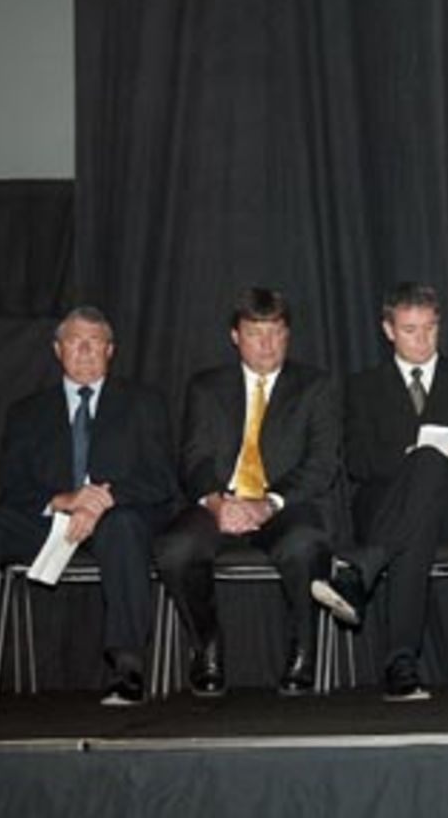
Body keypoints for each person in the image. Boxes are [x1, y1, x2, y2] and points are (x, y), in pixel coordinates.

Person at [0, 306, 176, 709]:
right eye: (74, 341)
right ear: (57, 350)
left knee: (122, 528)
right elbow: (11, 488)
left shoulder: (144, 404)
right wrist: (62, 500)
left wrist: (103, 499)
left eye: (95, 342)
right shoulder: (26, 412)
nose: (84, 351)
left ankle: (126, 667)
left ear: (111, 350)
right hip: (49, 521)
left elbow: (162, 481)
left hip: (116, 520)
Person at [312, 282, 448, 701]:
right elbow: (357, 464)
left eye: (430, 329)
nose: (422, 340)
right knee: (421, 486)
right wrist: (411, 458)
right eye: (410, 330)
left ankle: (365, 568)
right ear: (388, 330)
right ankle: (401, 665)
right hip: (386, 506)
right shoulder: (363, 387)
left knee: (432, 466)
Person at [156, 288, 338, 698]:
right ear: (235, 336)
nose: (267, 344)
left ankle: (302, 653)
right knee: (176, 549)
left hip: (283, 505)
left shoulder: (315, 386)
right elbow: (193, 459)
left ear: (288, 334)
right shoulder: (206, 387)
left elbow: (322, 465)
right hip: (222, 502)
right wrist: (218, 502)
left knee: (305, 545)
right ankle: (207, 648)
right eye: (256, 334)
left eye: (276, 333)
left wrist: (267, 503)